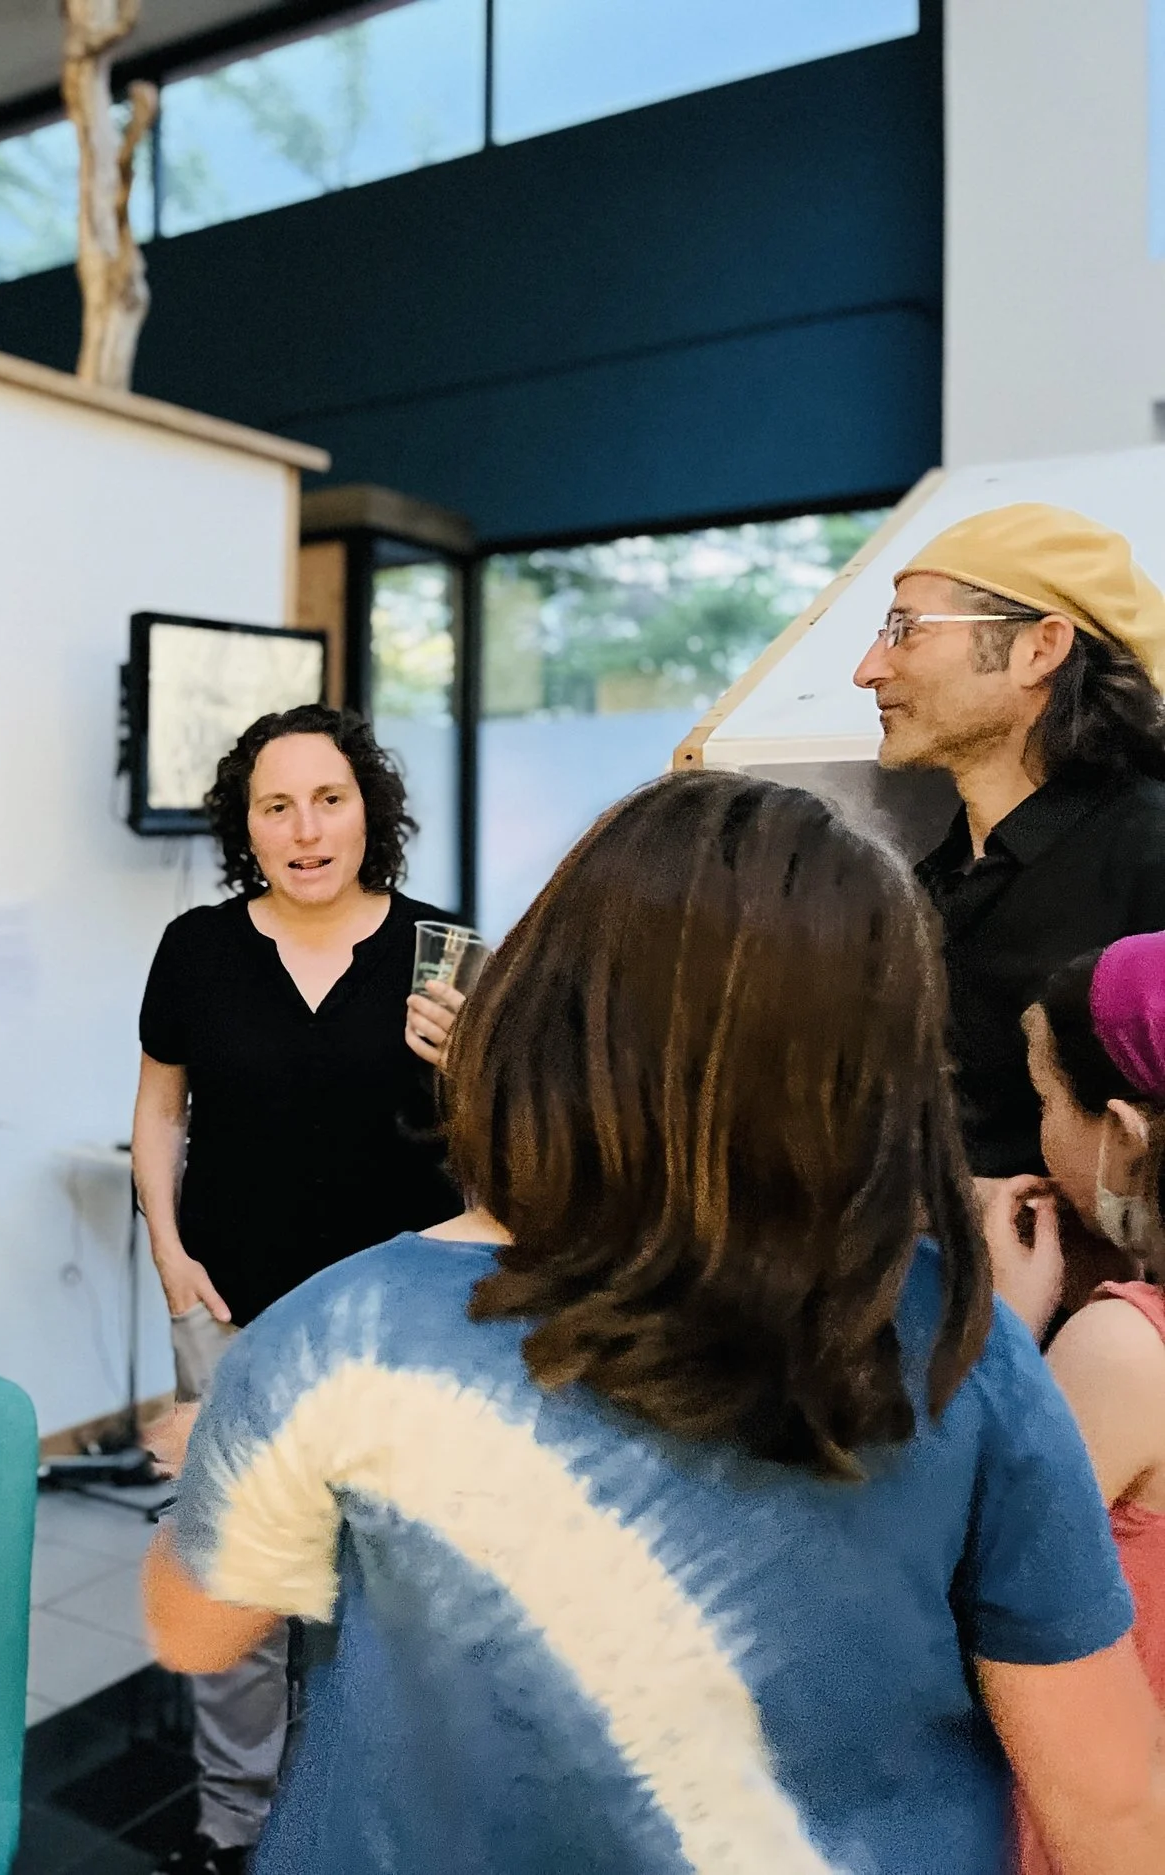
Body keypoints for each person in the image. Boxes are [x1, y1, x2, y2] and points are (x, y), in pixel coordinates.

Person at [143, 770, 1165, 1875]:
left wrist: (223, 1459)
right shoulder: (972, 1355)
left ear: (537, 1005)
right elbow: (1109, 1808)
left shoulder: (338, 1339)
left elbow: (192, 1627)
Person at [131, 704, 456, 1875]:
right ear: (246, 827)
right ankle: (232, 1826)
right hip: (230, 1310)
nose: (305, 829)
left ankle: (347, 1814)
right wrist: (168, 1250)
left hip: (397, 1323)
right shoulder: (199, 948)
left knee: (374, 1578)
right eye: (276, 806)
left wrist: (472, 1065)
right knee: (234, 1568)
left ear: (371, 808)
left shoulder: (441, 949)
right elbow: (160, 1108)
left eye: (329, 799)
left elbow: (496, 1141)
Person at [853, 503, 1165, 1188]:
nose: (868, 668)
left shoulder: (1150, 854)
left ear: (1039, 649)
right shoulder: (927, 882)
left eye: (905, 629)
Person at [981, 933, 1165, 1875]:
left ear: (1126, 1136)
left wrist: (1006, 1331)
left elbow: (984, 1568)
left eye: (1047, 1102)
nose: (1040, 1136)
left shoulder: (1128, 1346)